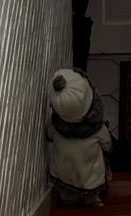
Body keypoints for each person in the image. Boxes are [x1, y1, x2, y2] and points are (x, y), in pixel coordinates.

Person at [46, 70, 112, 207]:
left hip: (63, 179)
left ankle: (68, 202)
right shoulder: (99, 130)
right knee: (93, 185)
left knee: (67, 197)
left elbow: (49, 135)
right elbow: (108, 145)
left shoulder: (55, 127)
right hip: (90, 182)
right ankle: (93, 201)